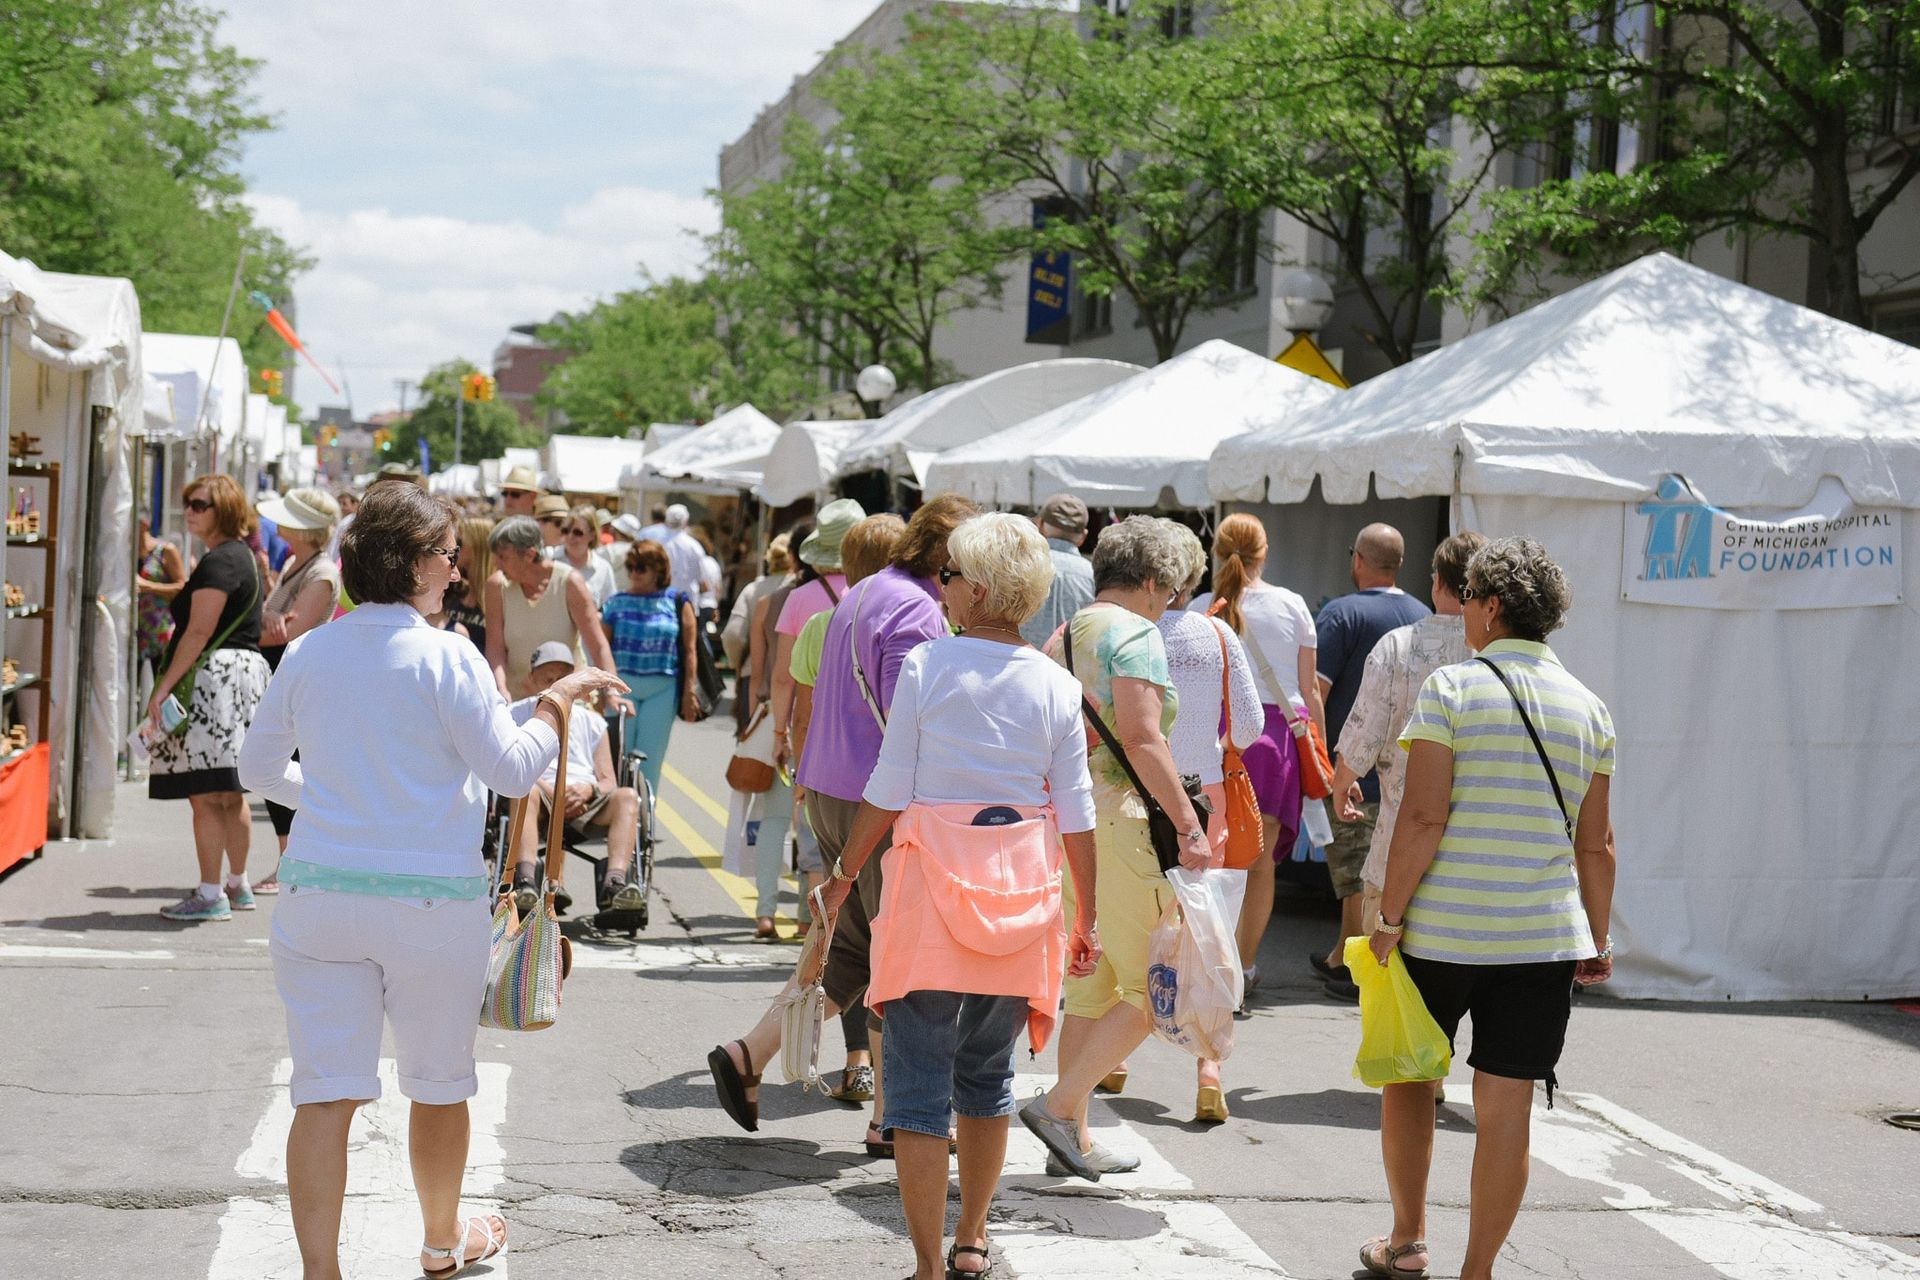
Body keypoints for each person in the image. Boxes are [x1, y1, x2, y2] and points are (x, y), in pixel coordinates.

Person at [237, 482, 625, 1280]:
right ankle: (443, 1244)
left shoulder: (313, 650)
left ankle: (321, 1272)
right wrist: (555, 702)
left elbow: (258, 767)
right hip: (428, 902)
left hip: (320, 895)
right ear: (415, 563)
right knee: (439, 1085)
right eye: (449, 557)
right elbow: (512, 771)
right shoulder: (447, 655)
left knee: (323, 1093)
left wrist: (346, 803)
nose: (456, 571)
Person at [819, 512, 1099, 1280]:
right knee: (987, 1079)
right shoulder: (1058, 684)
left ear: (976, 590)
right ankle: (971, 1238)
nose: (940, 588)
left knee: (914, 1087)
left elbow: (889, 785)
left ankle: (926, 1266)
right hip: (1023, 893)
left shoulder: (930, 667)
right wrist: (1090, 916)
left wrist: (845, 870)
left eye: (948, 577)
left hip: (931, 893)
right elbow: (1075, 808)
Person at [1361, 536, 1615, 1280]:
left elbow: (1422, 818)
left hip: (1440, 932)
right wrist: (1596, 937)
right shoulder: (1590, 708)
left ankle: (1407, 1242)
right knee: (1507, 1110)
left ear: (1493, 606)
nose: (1463, 609)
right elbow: (1596, 846)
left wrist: (1389, 919)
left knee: (1410, 1081)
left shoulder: (1452, 689)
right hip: (1540, 939)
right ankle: (1479, 1272)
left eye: (1468, 597)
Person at [707, 495, 978, 1153]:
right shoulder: (915, 607)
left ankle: (754, 1054)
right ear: (948, 554)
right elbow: (910, 719)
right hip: (873, 799)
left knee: (852, 952)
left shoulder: (868, 591)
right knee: (896, 955)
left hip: (833, 787)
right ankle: (893, 1115)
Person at [1021, 516, 1210, 1182]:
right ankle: (1059, 1107)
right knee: (1163, 986)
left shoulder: (1061, 635)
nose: (1172, 602)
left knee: (1094, 990)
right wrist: (1189, 824)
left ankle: (1069, 1137)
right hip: (1125, 822)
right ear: (1153, 582)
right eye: (1172, 590)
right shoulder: (1136, 633)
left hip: (1069, 821)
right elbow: (1142, 737)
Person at [789, 513, 903, 1103]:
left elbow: (804, 711)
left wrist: (798, 773)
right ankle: (873, 1082)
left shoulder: (821, 622)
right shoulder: (906, 619)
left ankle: (780, 1048)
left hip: (822, 788)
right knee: (876, 937)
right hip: (876, 799)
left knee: (842, 929)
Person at [1151, 520, 1262, 1123]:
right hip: (1205, 797)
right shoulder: (1216, 636)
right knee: (1209, 929)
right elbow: (1248, 726)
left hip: (1135, 792)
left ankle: (1110, 1058)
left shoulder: (1129, 631)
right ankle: (1209, 1068)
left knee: (1134, 916)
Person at [1190, 512, 1326, 1000]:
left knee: (1211, 854)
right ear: (1264, 554)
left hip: (1216, 734)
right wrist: (1320, 751)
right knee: (1260, 862)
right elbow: (1309, 689)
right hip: (1273, 741)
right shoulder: (1292, 606)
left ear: (1216, 552)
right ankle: (1243, 970)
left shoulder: (1203, 607)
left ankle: (1210, 964)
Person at [1333, 532, 1485, 937]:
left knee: (1389, 994)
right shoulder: (1495, 655)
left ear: (1436, 582)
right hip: (1478, 867)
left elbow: (1362, 736)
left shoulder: (1396, 648)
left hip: (1398, 854)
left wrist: (1341, 784)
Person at [1315, 523, 1431, 1001]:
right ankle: (1345, 950)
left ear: (1358, 560)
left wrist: (1324, 760)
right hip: (1413, 764)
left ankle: (1350, 958)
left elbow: (1316, 693)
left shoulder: (1340, 614)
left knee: (1354, 866)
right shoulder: (1424, 614)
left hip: (1356, 762)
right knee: (1384, 867)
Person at [148, 474, 270, 922]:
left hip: (215, 683)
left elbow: (198, 631)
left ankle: (210, 892)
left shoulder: (221, 562)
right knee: (228, 791)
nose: (191, 512)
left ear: (225, 509)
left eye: (200, 504)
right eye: (188, 504)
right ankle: (235, 885)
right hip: (238, 681)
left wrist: (161, 690)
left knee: (205, 793)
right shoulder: (244, 558)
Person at [506, 641, 649, 916]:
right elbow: (511, 765)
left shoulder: (593, 722)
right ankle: (525, 881)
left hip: (585, 800)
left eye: (563, 677)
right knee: (524, 789)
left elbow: (609, 780)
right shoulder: (515, 714)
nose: (556, 683)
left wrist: (588, 790)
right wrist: (552, 790)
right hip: (538, 794)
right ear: (530, 680)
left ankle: (616, 883)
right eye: (548, 678)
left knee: (628, 797)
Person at [252, 488, 346, 895]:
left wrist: (267, 622)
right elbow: (276, 624)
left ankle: (291, 860)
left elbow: (290, 632)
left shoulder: (321, 573)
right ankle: (289, 858)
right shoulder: (298, 562)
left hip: (296, 683)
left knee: (284, 770)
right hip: (283, 676)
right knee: (280, 771)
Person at [483, 515, 621, 700]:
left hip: (568, 700)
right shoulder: (496, 587)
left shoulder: (570, 582)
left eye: (503, 557)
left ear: (530, 555)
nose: (496, 564)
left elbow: (597, 645)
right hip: (516, 699)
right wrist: (500, 688)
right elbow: (495, 648)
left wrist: (611, 690)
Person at [599, 539, 699, 793]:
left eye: (641, 567)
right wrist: (601, 692)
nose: (634, 573)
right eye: (631, 567)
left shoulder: (677, 601)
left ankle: (643, 820)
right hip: (621, 688)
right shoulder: (615, 602)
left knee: (649, 758)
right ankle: (617, 814)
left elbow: (689, 650)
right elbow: (601, 649)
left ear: (658, 570)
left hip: (662, 690)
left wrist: (689, 692)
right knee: (616, 757)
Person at [1018, 492, 1095, 647]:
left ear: (1039, 524)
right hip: (1070, 669)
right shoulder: (1093, 575)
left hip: (1021, 664)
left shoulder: (1021, 564)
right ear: (1083, 537)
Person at [135, 519, 187, 683]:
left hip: (161, 632)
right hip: (135, 633)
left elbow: (182, 587)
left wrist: (148, 587)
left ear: (144, 525)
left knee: (163, 685)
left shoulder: (164, 550)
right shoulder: (127, 551)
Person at [446, 516, 495, 651]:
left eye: (459, 542)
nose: (453, 548)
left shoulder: (499, 593)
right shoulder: (452, 588)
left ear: (478, 547)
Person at [557, 506, 617, 606]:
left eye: (577, 532)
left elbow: (610, 608)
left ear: (592, 535)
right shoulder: (550, 559)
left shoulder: (603, 568)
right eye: (566, 531)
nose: (570, 536)